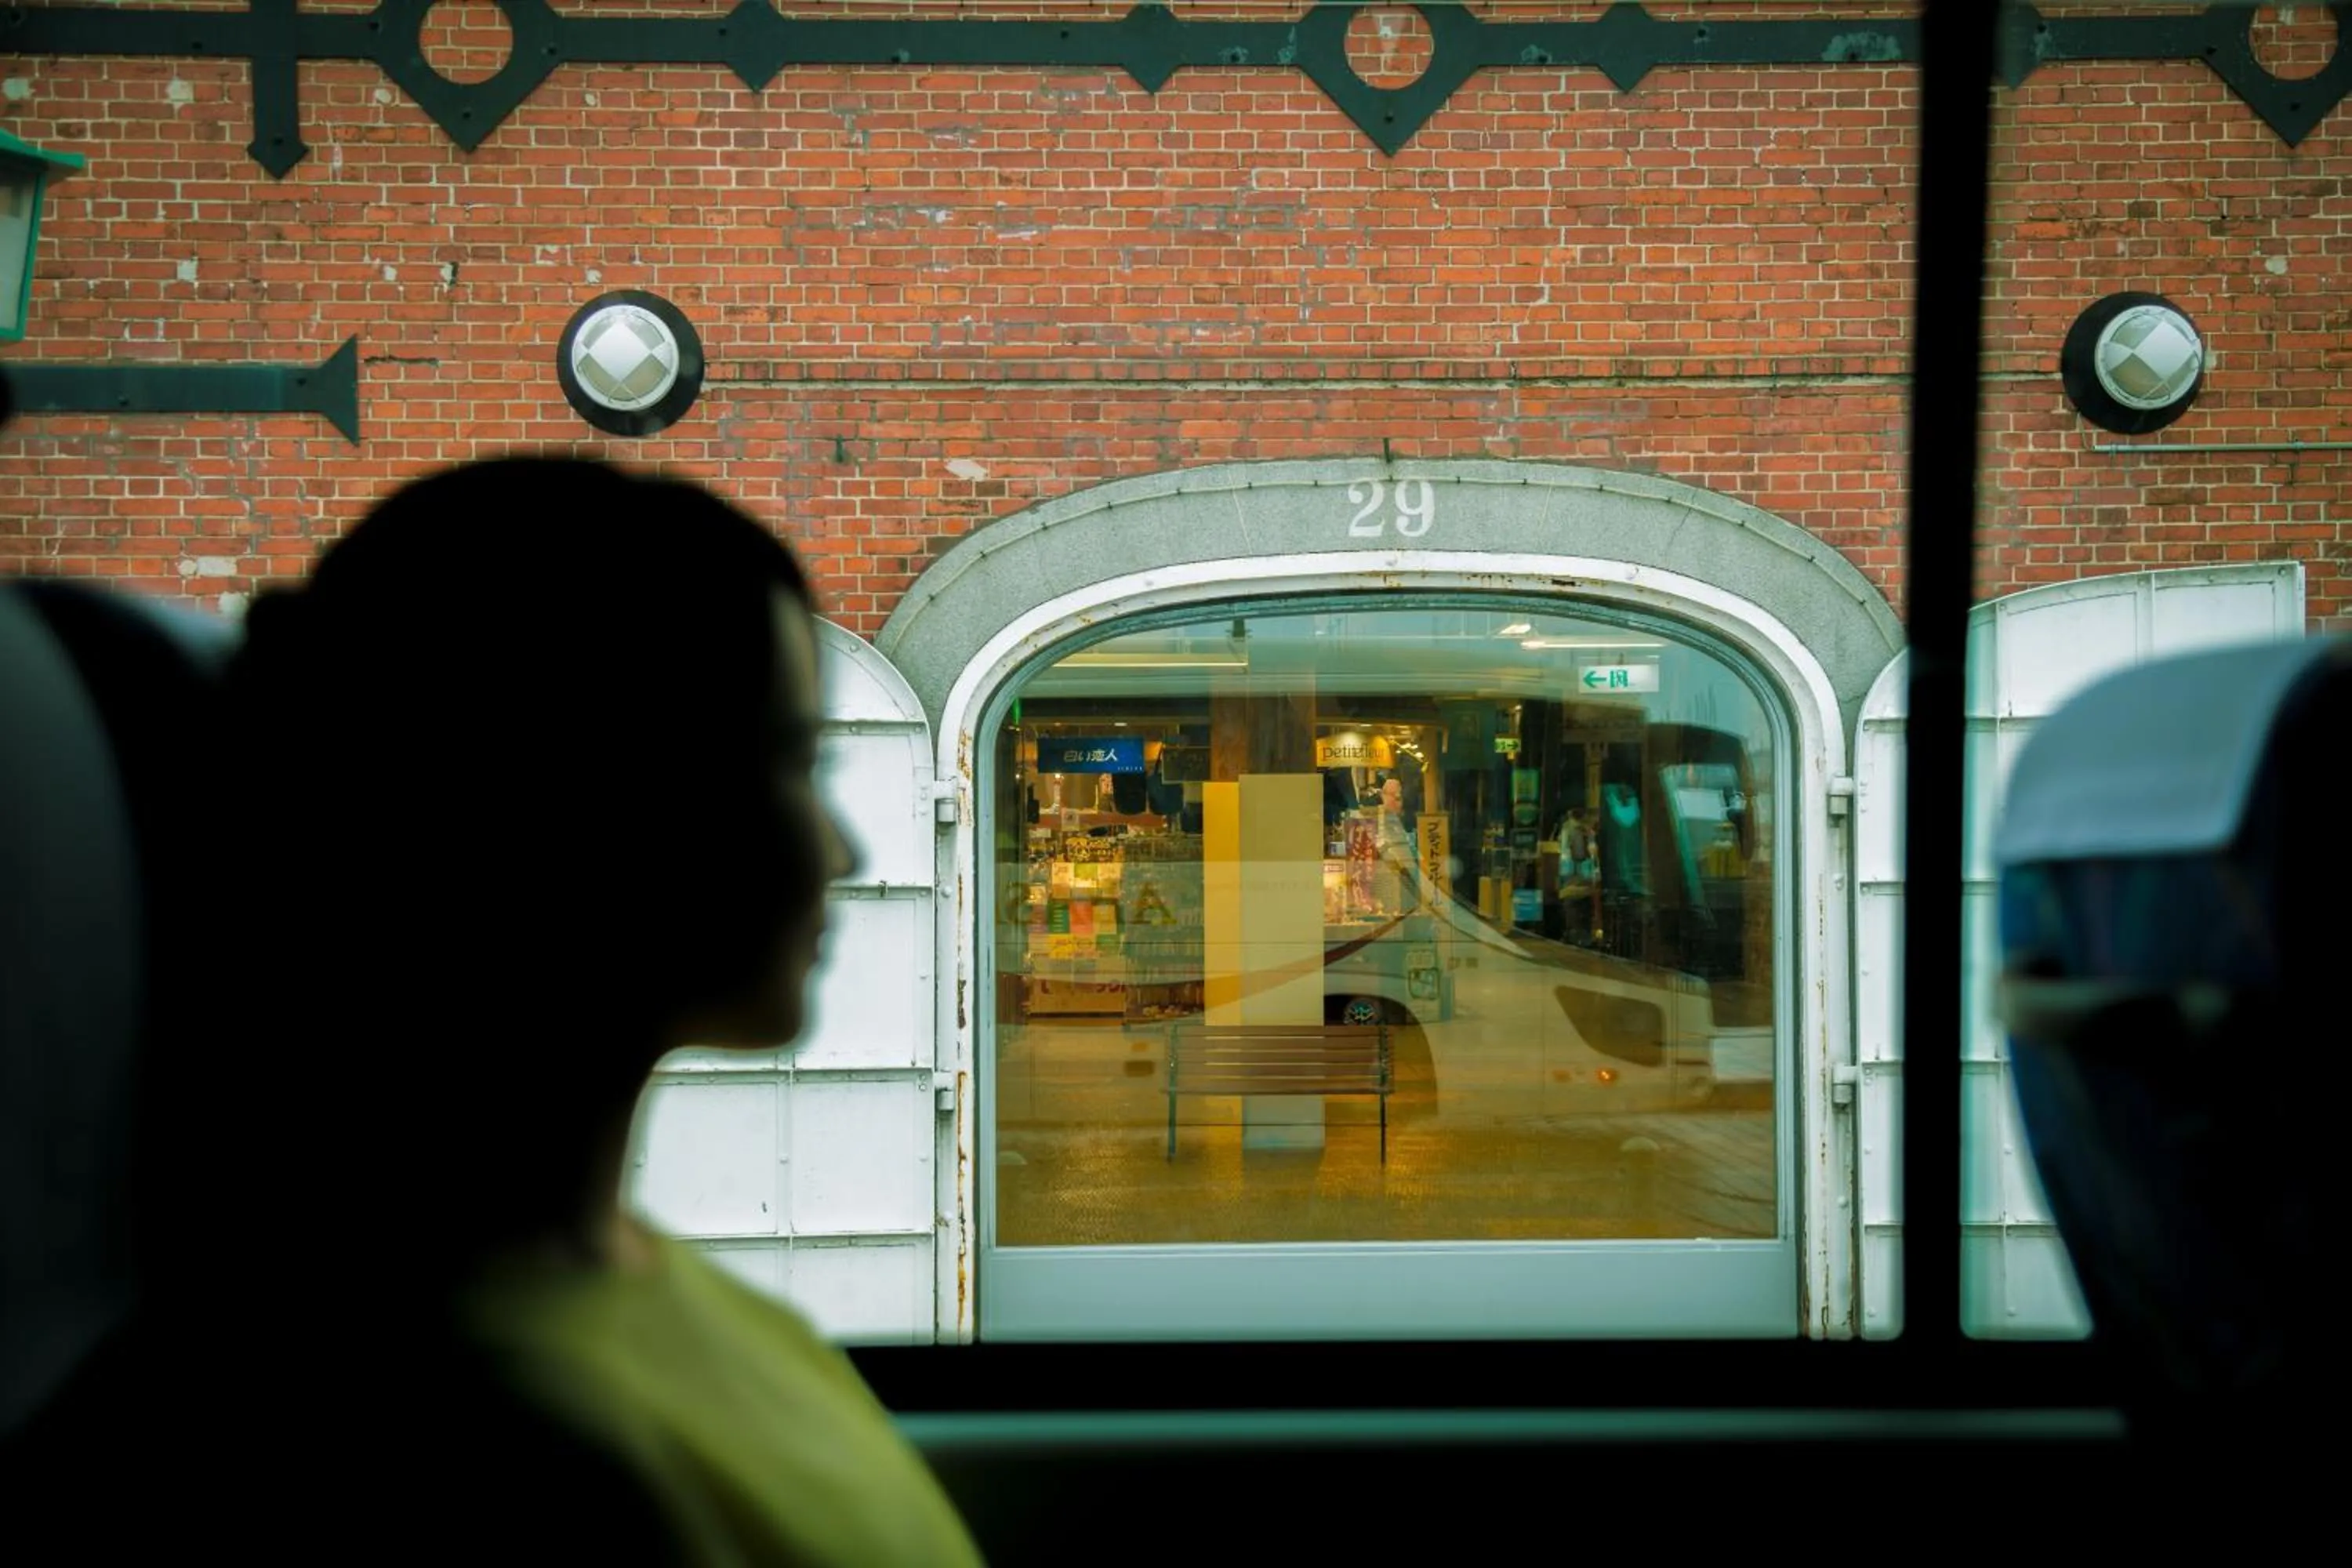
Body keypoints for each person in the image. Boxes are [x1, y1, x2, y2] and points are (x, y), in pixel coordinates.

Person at [27, 457, 986, 1563]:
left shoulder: (618, 1298)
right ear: (568, 805)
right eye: (780, 762)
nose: (845, 850)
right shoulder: (486, 1458)